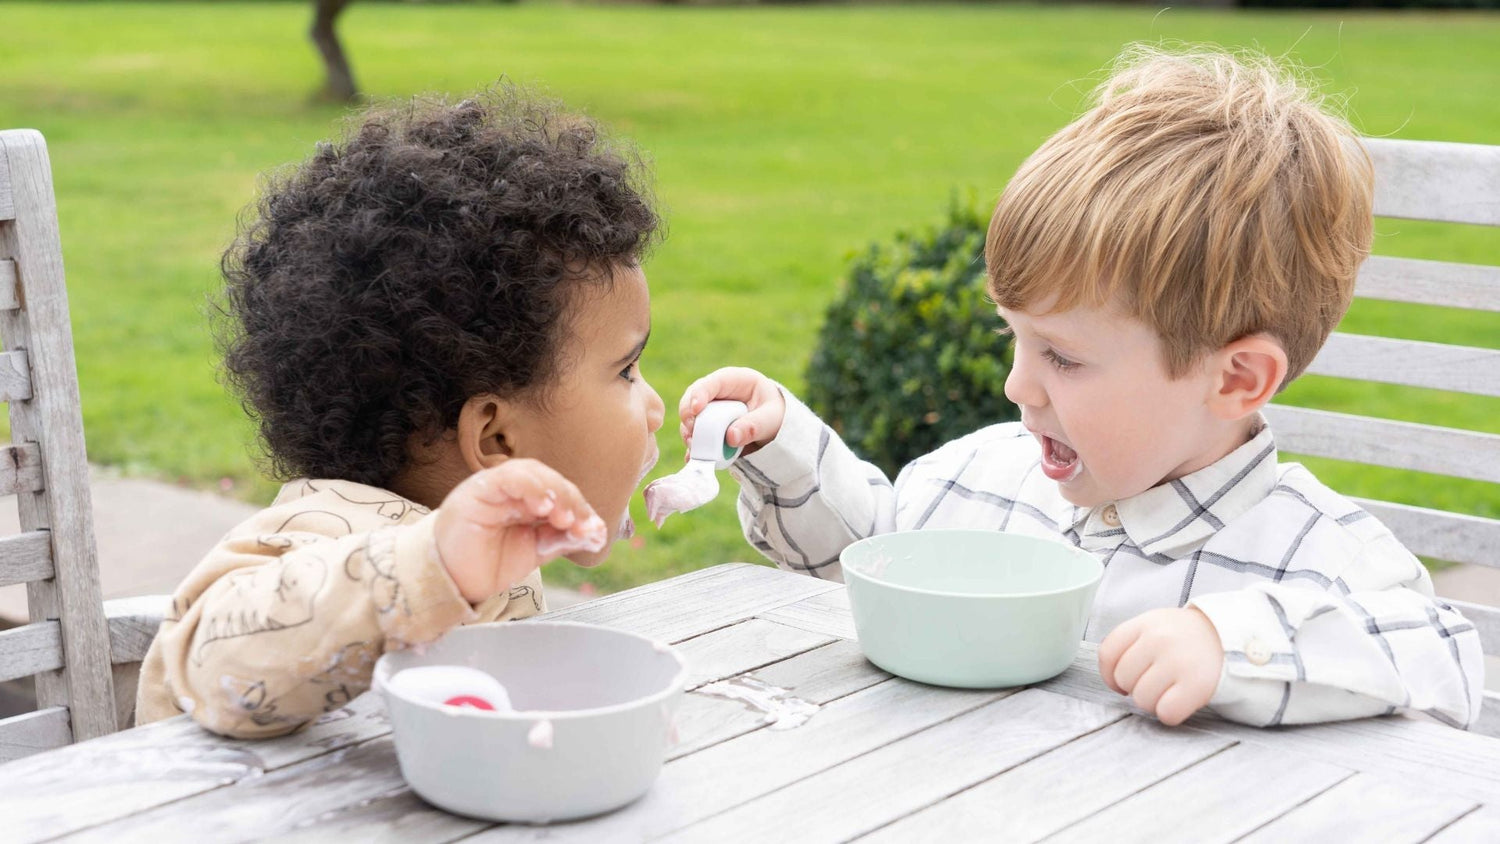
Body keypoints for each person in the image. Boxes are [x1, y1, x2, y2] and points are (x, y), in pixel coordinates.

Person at [680, 46, 1483, 729]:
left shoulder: (1315, 559)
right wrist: (783, 447)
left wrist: (1227, 646)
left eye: (1062, 357)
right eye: (1014, 336)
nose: (1016, 383)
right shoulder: (983, 478)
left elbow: (1446, 657)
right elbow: (871, 561)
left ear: (1238, 378)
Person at [136, 86, 667, 738]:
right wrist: (430, 565)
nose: (655, 406)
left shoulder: (498, 563)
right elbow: (213, 661)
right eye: (626, 371)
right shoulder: (328, 537)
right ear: (496, 439)